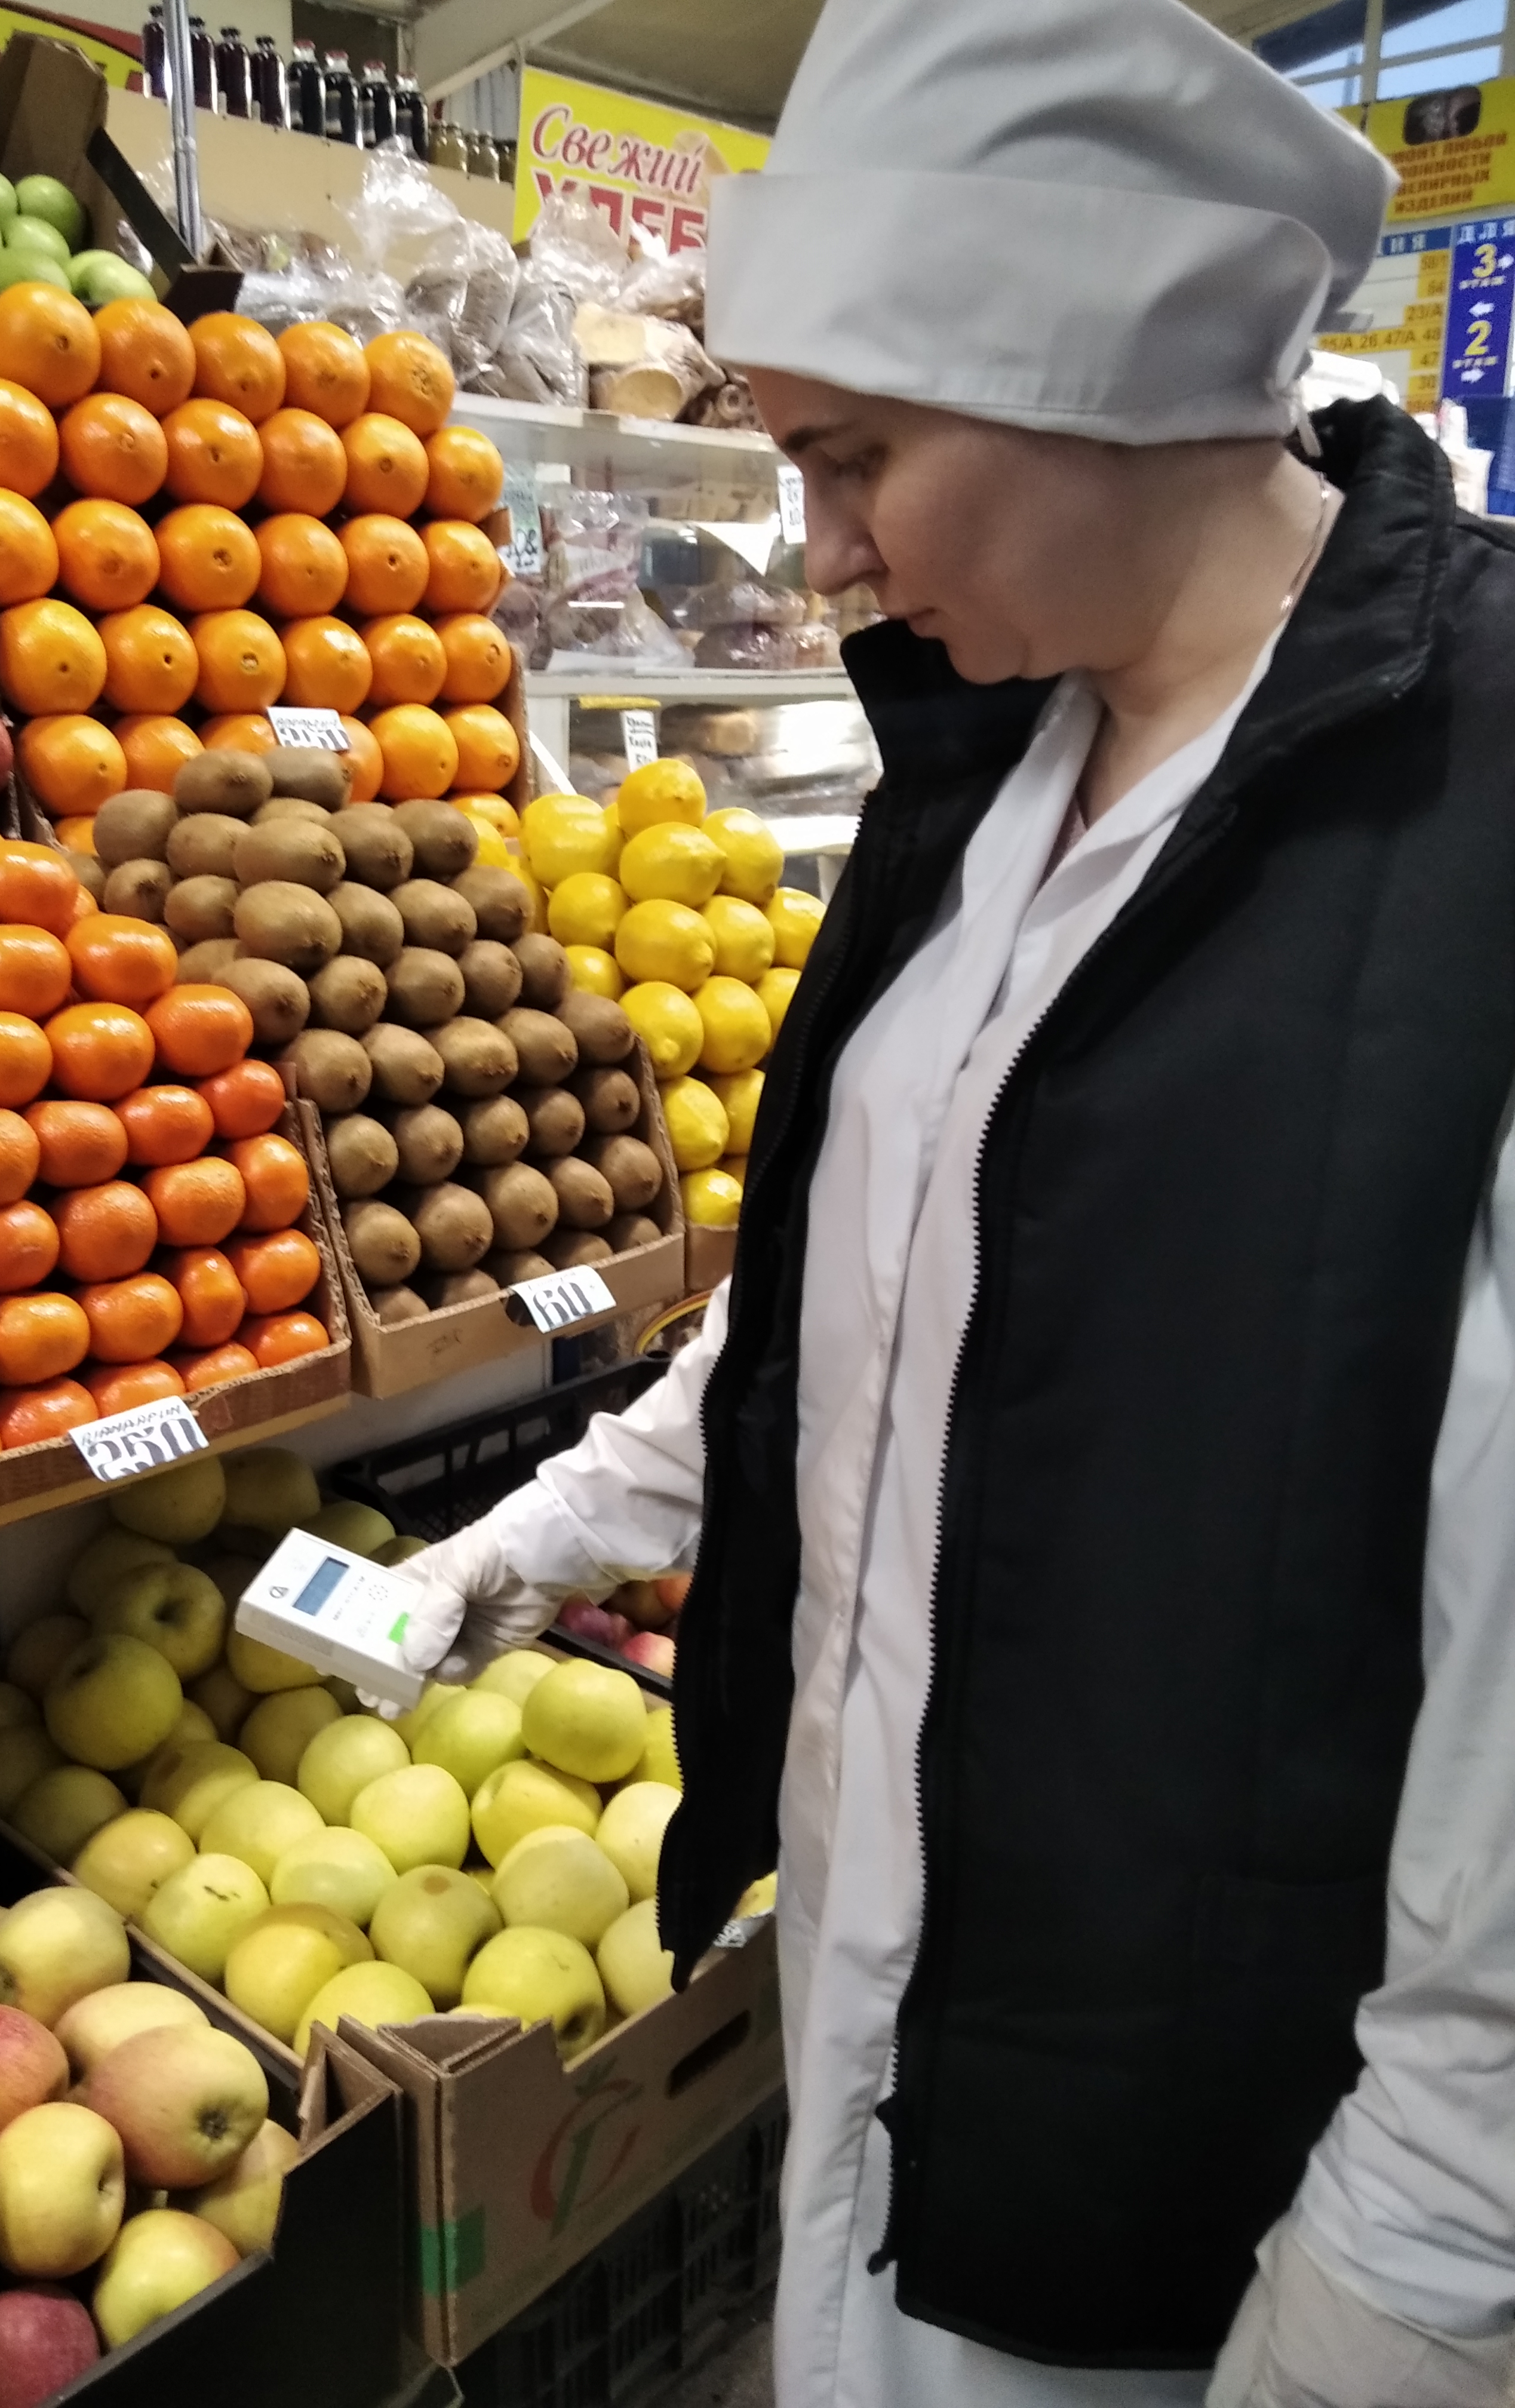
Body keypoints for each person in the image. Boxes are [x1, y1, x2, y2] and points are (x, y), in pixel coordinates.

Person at [394, 0, 1515, 2399]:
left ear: (1094, 370)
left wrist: (1412, 2277)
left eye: (854, 458)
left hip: (1231, 2191)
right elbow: (870, 1279)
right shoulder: (988, 761)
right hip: (898, 2024)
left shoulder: (1473, 824)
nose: (824, 560)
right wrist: (555, 1530)